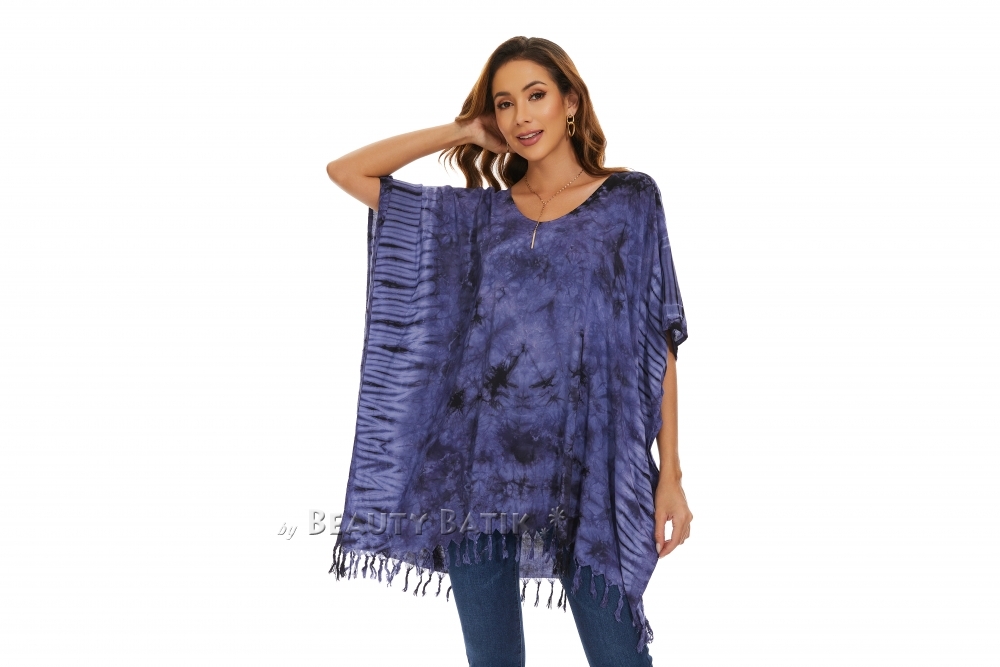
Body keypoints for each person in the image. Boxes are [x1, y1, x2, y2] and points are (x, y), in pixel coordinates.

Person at [326, 36, 692, 666]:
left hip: (590, 471)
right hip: (476, 475)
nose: (521, 116)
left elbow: (655, 342)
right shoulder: (476, 218)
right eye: (504, 103)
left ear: (570, 102)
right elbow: (347, 172)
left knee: (620, 656)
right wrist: (463, 129)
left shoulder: (629, 201)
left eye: (536, 95)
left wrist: (671, 476)